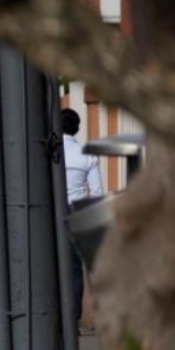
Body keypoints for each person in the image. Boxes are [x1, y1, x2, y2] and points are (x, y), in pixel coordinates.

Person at [61, 108, 104, 330]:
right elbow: (96, 192)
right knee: (75, 268)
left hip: (51, 212)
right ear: (77, 129)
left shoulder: (52, 152)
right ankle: (72, 318)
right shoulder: (87, 155)